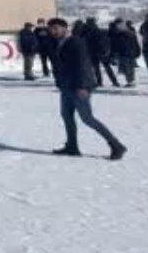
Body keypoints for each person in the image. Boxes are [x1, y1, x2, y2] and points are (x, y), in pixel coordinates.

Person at [47, 18, 127, 160]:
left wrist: (83, 86)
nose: (53, 31)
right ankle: (72, 146)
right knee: (67, 116)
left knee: (87, 118)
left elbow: (83, 65)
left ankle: (116, 145)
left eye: (56, 28)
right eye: (51, 29)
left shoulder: (76, 42)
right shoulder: (58, 43)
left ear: (65, 28)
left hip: (78, 87)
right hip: (66, 86)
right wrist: (59, 82)